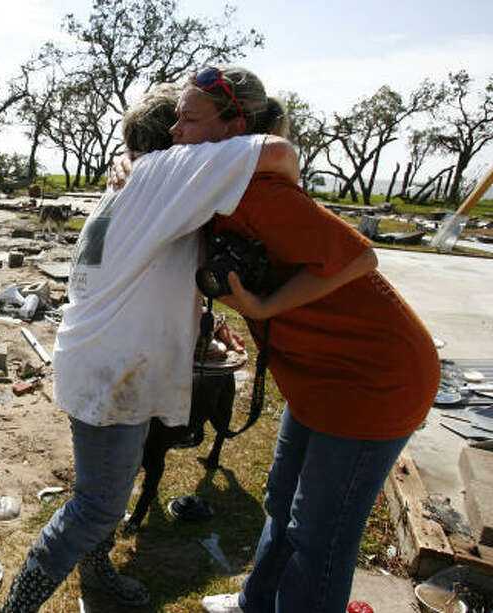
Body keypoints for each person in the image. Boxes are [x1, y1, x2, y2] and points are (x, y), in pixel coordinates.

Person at [0, 82, 299, 613]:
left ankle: (97, 572)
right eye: (181, 127)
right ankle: (15, 609)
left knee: (106, 492)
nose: (189, 135)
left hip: (104, 362)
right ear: (172, 147)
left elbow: (154, 274)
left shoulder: (134, 184)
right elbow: (278, 152)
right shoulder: (164, 176)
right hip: (113, 370)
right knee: (96, 505)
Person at [147, 66, 440, 613]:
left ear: (235, 129)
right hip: (315, 376)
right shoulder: (214, 192)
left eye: (188, 119)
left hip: (374, 378)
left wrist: (264, 307)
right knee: (281, 500)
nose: (174, 132)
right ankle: (256, 604)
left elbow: (361, 256)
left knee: (319, 536)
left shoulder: (259, 195)